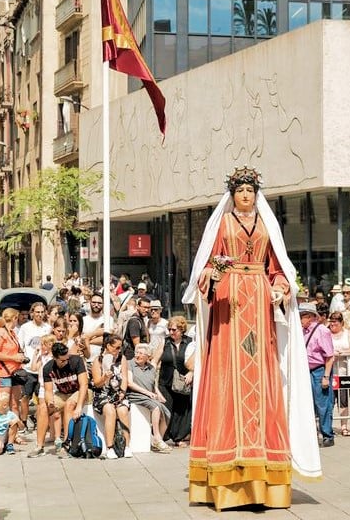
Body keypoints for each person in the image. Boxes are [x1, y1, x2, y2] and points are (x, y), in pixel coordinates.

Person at [181, 166, 320, 510]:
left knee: (264, 381)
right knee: (227, 381)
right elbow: (206, 268)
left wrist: (281, 286)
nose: (245, 196)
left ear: (257, 194)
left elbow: (278, 268)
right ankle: (227, 478)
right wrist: (213, 275)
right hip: (230, 305)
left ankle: (265, 479)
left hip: (259, 303)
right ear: (231, 195)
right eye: (240, 191)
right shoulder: (223, 225)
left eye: (250, 191)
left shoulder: (268, 227)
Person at [29, 342, 88, 458]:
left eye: (67, 359)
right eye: (62, 360)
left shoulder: (76, 360)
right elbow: (48, 391)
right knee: (42, 408)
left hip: (79, 392)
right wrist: (50, 402)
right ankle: (39, 446)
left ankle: (67, 444)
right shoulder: (48, 368)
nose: (66, 362)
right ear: (54, 358)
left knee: (69, 405)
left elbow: (84, 385)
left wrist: (80, 406)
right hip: (62, 393)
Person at [91, 334, 132, 459]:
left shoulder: (122, 358)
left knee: (123, 410)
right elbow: (97, 383)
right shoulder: (98, 361)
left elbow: (124, 378)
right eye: (116, 347)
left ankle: (127, 446)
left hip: (117, 393)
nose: (118, 350)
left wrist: (122, 392)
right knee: (110, 411)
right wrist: (105, 377)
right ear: (108, 346)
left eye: (120, 348)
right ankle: (109, 447)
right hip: (102, 393)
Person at [300, 304, 335, 447]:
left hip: (319, 370)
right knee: (308, 404)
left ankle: (327, 435)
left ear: (309, 316)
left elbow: (330, 356)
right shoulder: (301, 331)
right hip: (306, 370)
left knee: (323, 404)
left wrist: (326, 376)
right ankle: (311, 434)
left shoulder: (321, 331)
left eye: (301, 316)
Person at [126, 343, 172, 454]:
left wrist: (159, 394)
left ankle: (158, 441)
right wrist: (148, 393)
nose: (138, 355)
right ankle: (156, 436)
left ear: (148, 356)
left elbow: (154, 385)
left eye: (141, 353)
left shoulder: (151, 368)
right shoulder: (129, 364)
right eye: (137, 352)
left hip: (148, 396)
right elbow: (129, 383)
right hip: (135, 394)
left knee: (167, 413)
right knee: (155, 407)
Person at [157, 315, 192, 446]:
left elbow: (196, 361)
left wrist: (191, 372)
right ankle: (162, 437)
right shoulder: (165, 342)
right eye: (169, 329)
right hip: (165, 381)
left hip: (183, 381)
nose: (171, 332)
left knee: (182, 410)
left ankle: (179, 437)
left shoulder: (189, 342)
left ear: (182, 329)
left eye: (174, 330)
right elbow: (155, 360)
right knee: (166, 409)